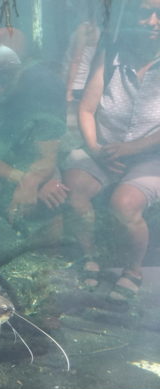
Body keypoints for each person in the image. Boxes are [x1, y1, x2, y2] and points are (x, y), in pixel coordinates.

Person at [62, 0, 160, 302]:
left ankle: (133, 270)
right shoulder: (112, 54)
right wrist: (95, 148)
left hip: (150, 157)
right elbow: (87, 109)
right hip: (104, 150)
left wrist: (130, 149)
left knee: (125, 204)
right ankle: (89, 256)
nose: (153, 21)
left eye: (159, 14)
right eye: (145, 13)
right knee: (74, 188)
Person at [0, 41, 67, 238]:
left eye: (6, 78)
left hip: (32, 164)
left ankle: (51, 252)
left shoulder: (43, 92)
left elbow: (47, 157)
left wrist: (35, 180)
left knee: (53, 193)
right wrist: (21, 179)